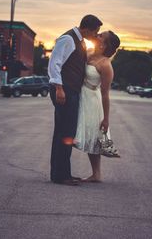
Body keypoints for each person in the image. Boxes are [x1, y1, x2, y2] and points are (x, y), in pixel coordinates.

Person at [48, 14, 103, 186]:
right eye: (95, 32)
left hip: (70, 91)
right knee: (65, 133)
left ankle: (63, 173)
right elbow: (54, 63)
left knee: (65, 132)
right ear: (86, 28)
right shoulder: (67, 39)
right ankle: (60, 176)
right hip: (64, 91)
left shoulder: (80, 41)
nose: (95, 35)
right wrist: (59, 88)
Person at [75, 30, 120, 182]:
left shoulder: (106, 65)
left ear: (104, 44)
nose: (98, 34)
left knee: (93, 137)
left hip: (92, 101)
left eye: (101, 35)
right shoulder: (87, 53)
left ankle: (96, 174)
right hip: (79, 95)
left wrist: (106, 119)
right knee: (78, 131)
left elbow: (106, 94)